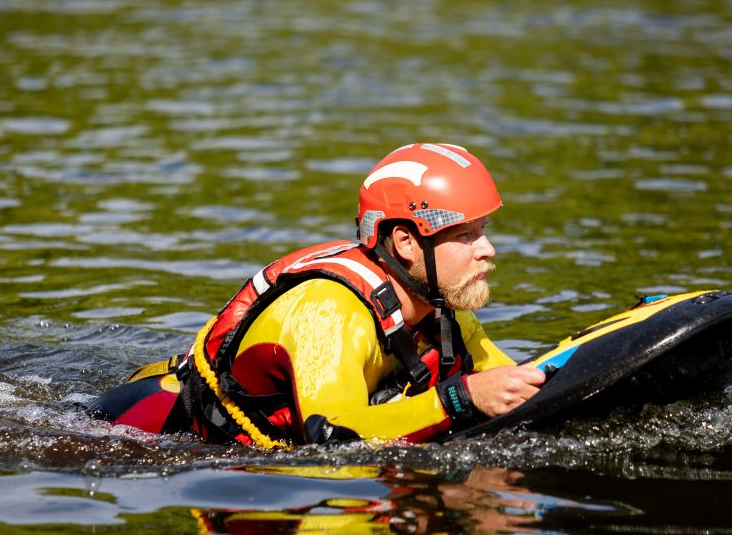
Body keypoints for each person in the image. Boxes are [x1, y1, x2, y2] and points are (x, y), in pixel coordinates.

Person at [89, 143, 546, 447]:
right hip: (130, 430)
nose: (488, 249)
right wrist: (460, 399)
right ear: (407, 243)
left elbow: (514, 379)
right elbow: (329, 433)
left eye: (483, 231)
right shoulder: (328, 311)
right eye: (465, 235)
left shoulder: (440, 306)